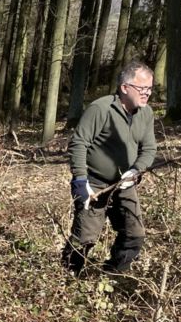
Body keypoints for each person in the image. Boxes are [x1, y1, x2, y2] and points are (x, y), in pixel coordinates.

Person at [64, 61, 158, 275]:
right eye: (142, 88)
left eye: (150, 88)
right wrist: (80, 180)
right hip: (94, 184)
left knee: (134, 234)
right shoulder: (101, 109)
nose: (147, 93)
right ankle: (67, 278)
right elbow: (79, 143)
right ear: (125, 87)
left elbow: (149, 148)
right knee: (85, 239)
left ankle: (113, 275)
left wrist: (136, 170)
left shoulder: (146, 113)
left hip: (124, 184)